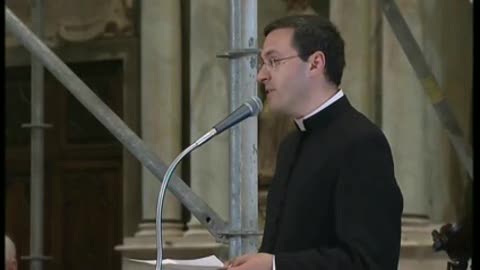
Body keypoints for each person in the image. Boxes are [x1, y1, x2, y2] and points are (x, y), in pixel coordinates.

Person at [225, 15, 404, 270]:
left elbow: (369, 262)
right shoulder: (290, 145)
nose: (261, 76)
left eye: (273, 61)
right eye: (262, 63)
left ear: (315, 63)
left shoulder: (361, 143)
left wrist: (275, 265)